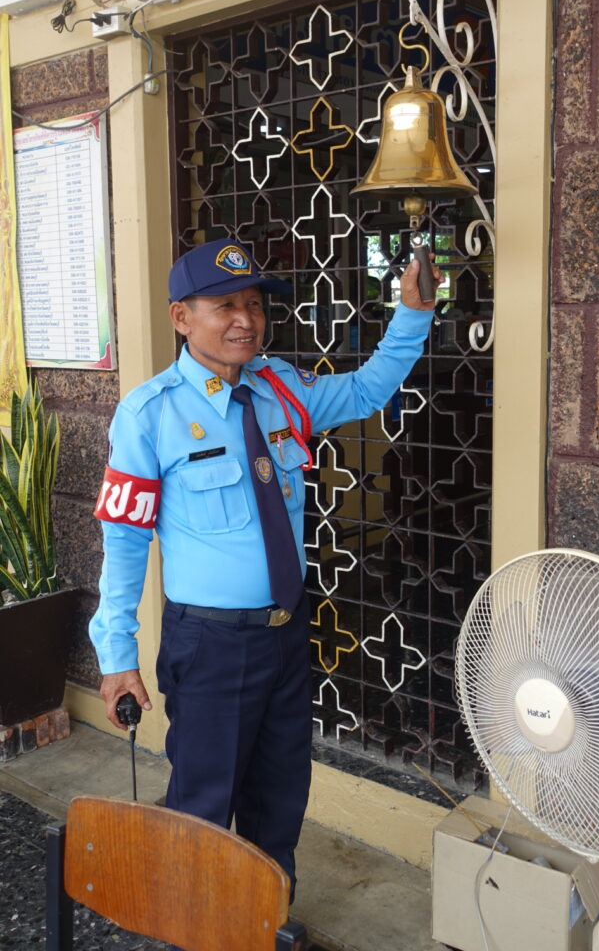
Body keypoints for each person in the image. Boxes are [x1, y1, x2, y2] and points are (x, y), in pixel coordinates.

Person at [89, 237, 442, 895]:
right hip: (212, 645)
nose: (245, 318)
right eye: (224, 305)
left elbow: (368, 389)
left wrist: (412, 313)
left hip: (285, 634)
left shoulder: (281, 388)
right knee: (201, 811)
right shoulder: (151, 414)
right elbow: (125, 541)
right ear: (181, 318)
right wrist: (116, 657)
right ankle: (195, 936)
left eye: (253, 303)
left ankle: (263, 924)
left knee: (279, 804)